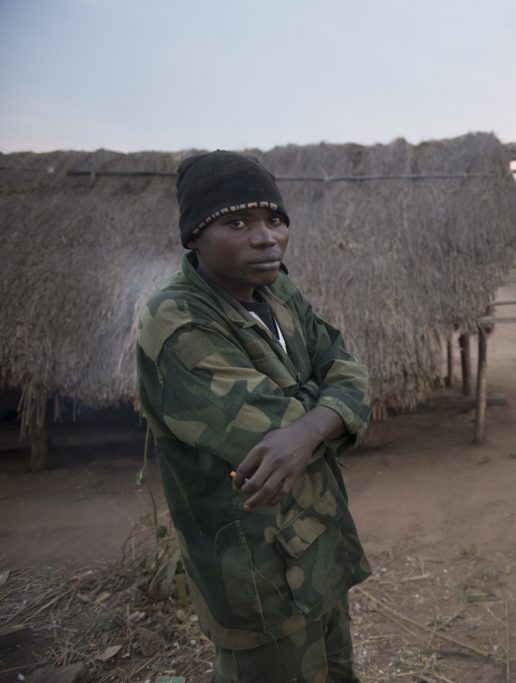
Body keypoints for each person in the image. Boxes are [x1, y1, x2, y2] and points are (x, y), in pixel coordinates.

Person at [136, 151, 372, 683]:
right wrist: (326, 412)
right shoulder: (177, 324)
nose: (265, 237)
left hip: (317, 548)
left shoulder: (276, 289)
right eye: (237, 222)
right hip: (257, 573)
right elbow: (270, 428)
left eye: (275, 219)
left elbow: (350, 367)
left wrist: (308, 429)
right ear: (194, 236)